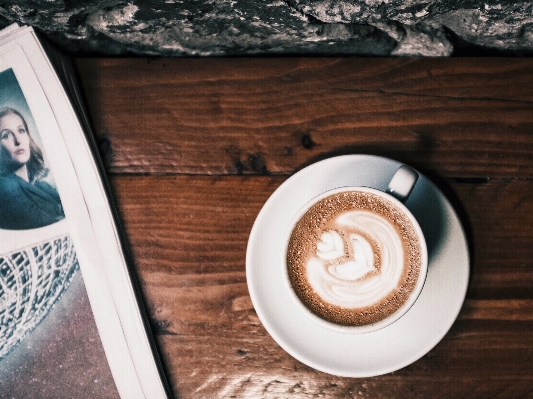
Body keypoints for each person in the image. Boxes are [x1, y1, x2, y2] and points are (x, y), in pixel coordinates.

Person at [0, 107, 64, 230]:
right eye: (6, 135)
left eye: (21, 131)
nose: (18, 140)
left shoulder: (42, 185)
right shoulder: (4, 186)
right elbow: (46, 225)